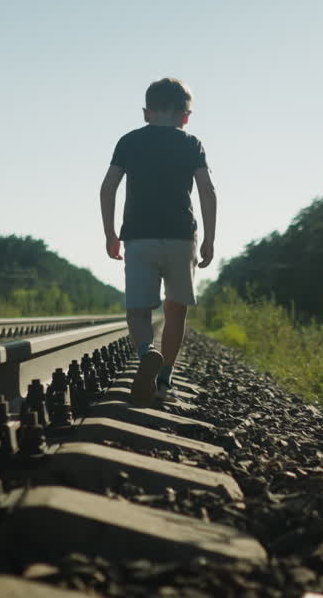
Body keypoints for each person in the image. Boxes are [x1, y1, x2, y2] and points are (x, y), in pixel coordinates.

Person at [100, 77, 217, 407]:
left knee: (137, 311)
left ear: (145, 112)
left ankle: (145, 352)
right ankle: (164, 378)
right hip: (182, 237)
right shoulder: (192, 144)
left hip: (139, 237)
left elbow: (107, 188)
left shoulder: (129, 141)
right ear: (185, 116)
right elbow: (208, 191)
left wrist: (110, 234)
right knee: (175, 310)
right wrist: (209, 238)